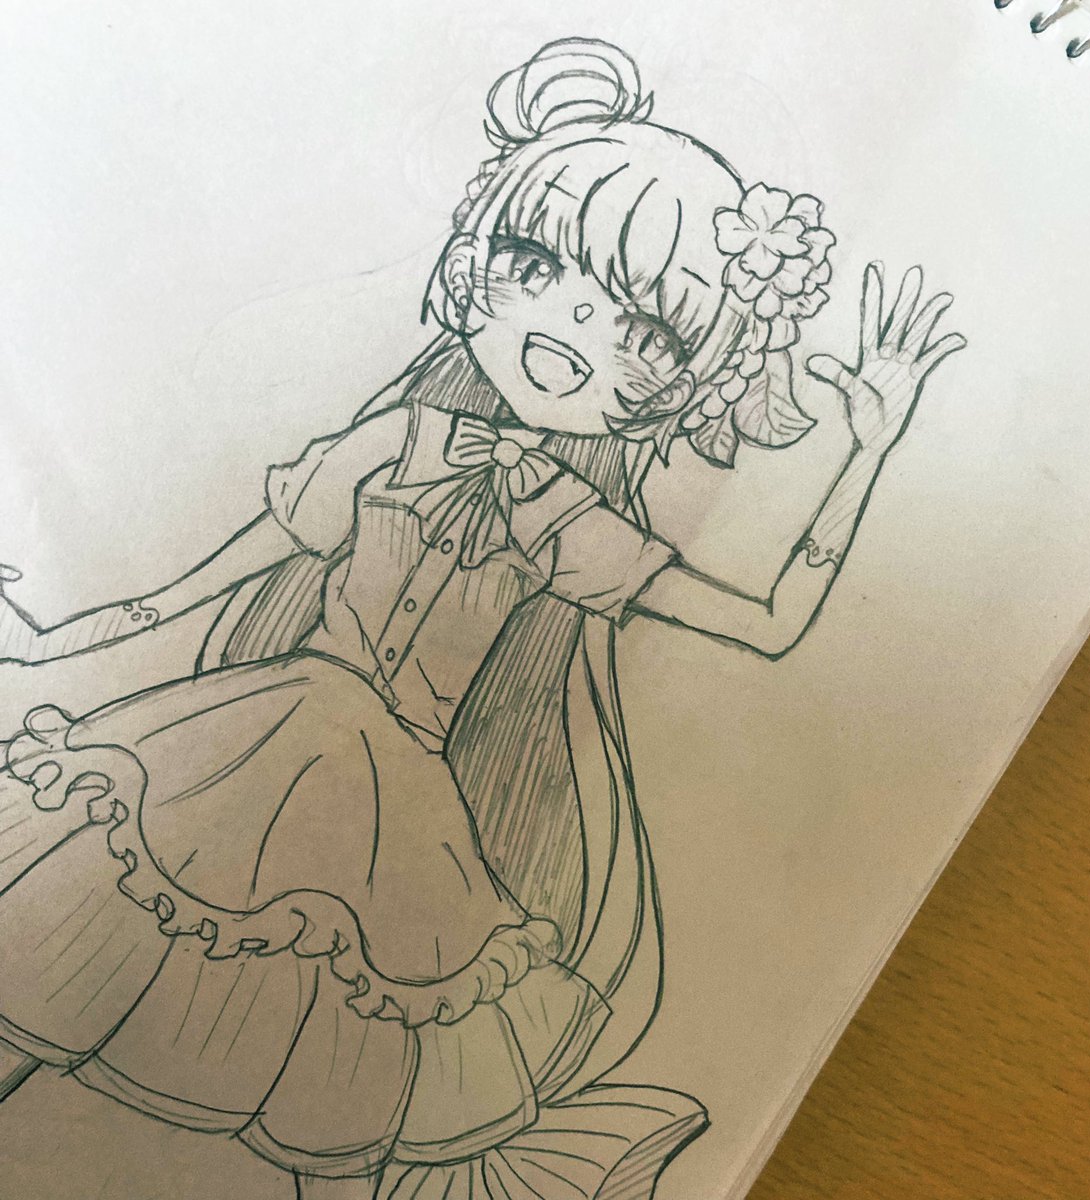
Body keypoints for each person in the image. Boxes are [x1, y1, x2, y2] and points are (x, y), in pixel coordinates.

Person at [0, 37, 964, 1200]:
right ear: (477, 263)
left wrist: (866, 454)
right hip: (244, 736)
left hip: (400, 807)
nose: (572, 324)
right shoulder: (400, 437)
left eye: (644, 334)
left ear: (684, 386)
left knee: (325, 1074)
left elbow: (765, 621)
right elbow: (206, 577)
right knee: (56, 958)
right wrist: (52, 644)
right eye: (535, 265)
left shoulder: (569, 519)